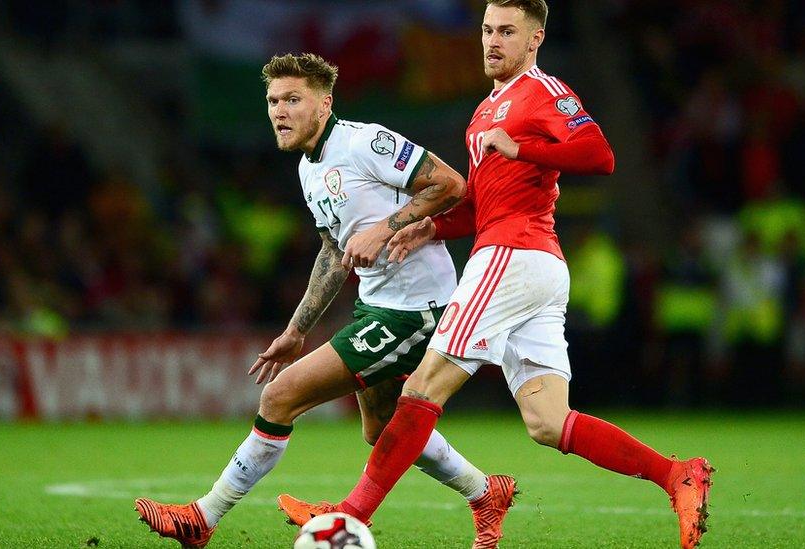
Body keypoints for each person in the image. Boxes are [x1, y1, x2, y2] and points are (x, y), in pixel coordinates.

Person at [277, 3, 715, 549]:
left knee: (420, 388)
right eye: (487, 30)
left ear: (536, 39)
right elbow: (480, 205)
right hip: (531, 265)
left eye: (507, 32)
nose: (492, 41)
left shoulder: (543, 91)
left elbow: (600, 155)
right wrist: (428, 229)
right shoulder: (484, 114)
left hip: (511, 255)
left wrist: (521, 145)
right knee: (548, 422)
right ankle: (677, 475)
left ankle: (350, 513)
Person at [135, 53, 513, 549]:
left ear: (324, 103)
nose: (279, 111)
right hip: (378, 306)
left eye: (293, 99)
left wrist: (387, 226)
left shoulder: (363, 142)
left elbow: (450, 183)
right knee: (382, 431)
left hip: (419, 310)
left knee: (279, 397)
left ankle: (202, 519)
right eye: (273, 100)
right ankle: (487, 493)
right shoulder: (309, 170)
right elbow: (334, 251)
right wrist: (296, 329)